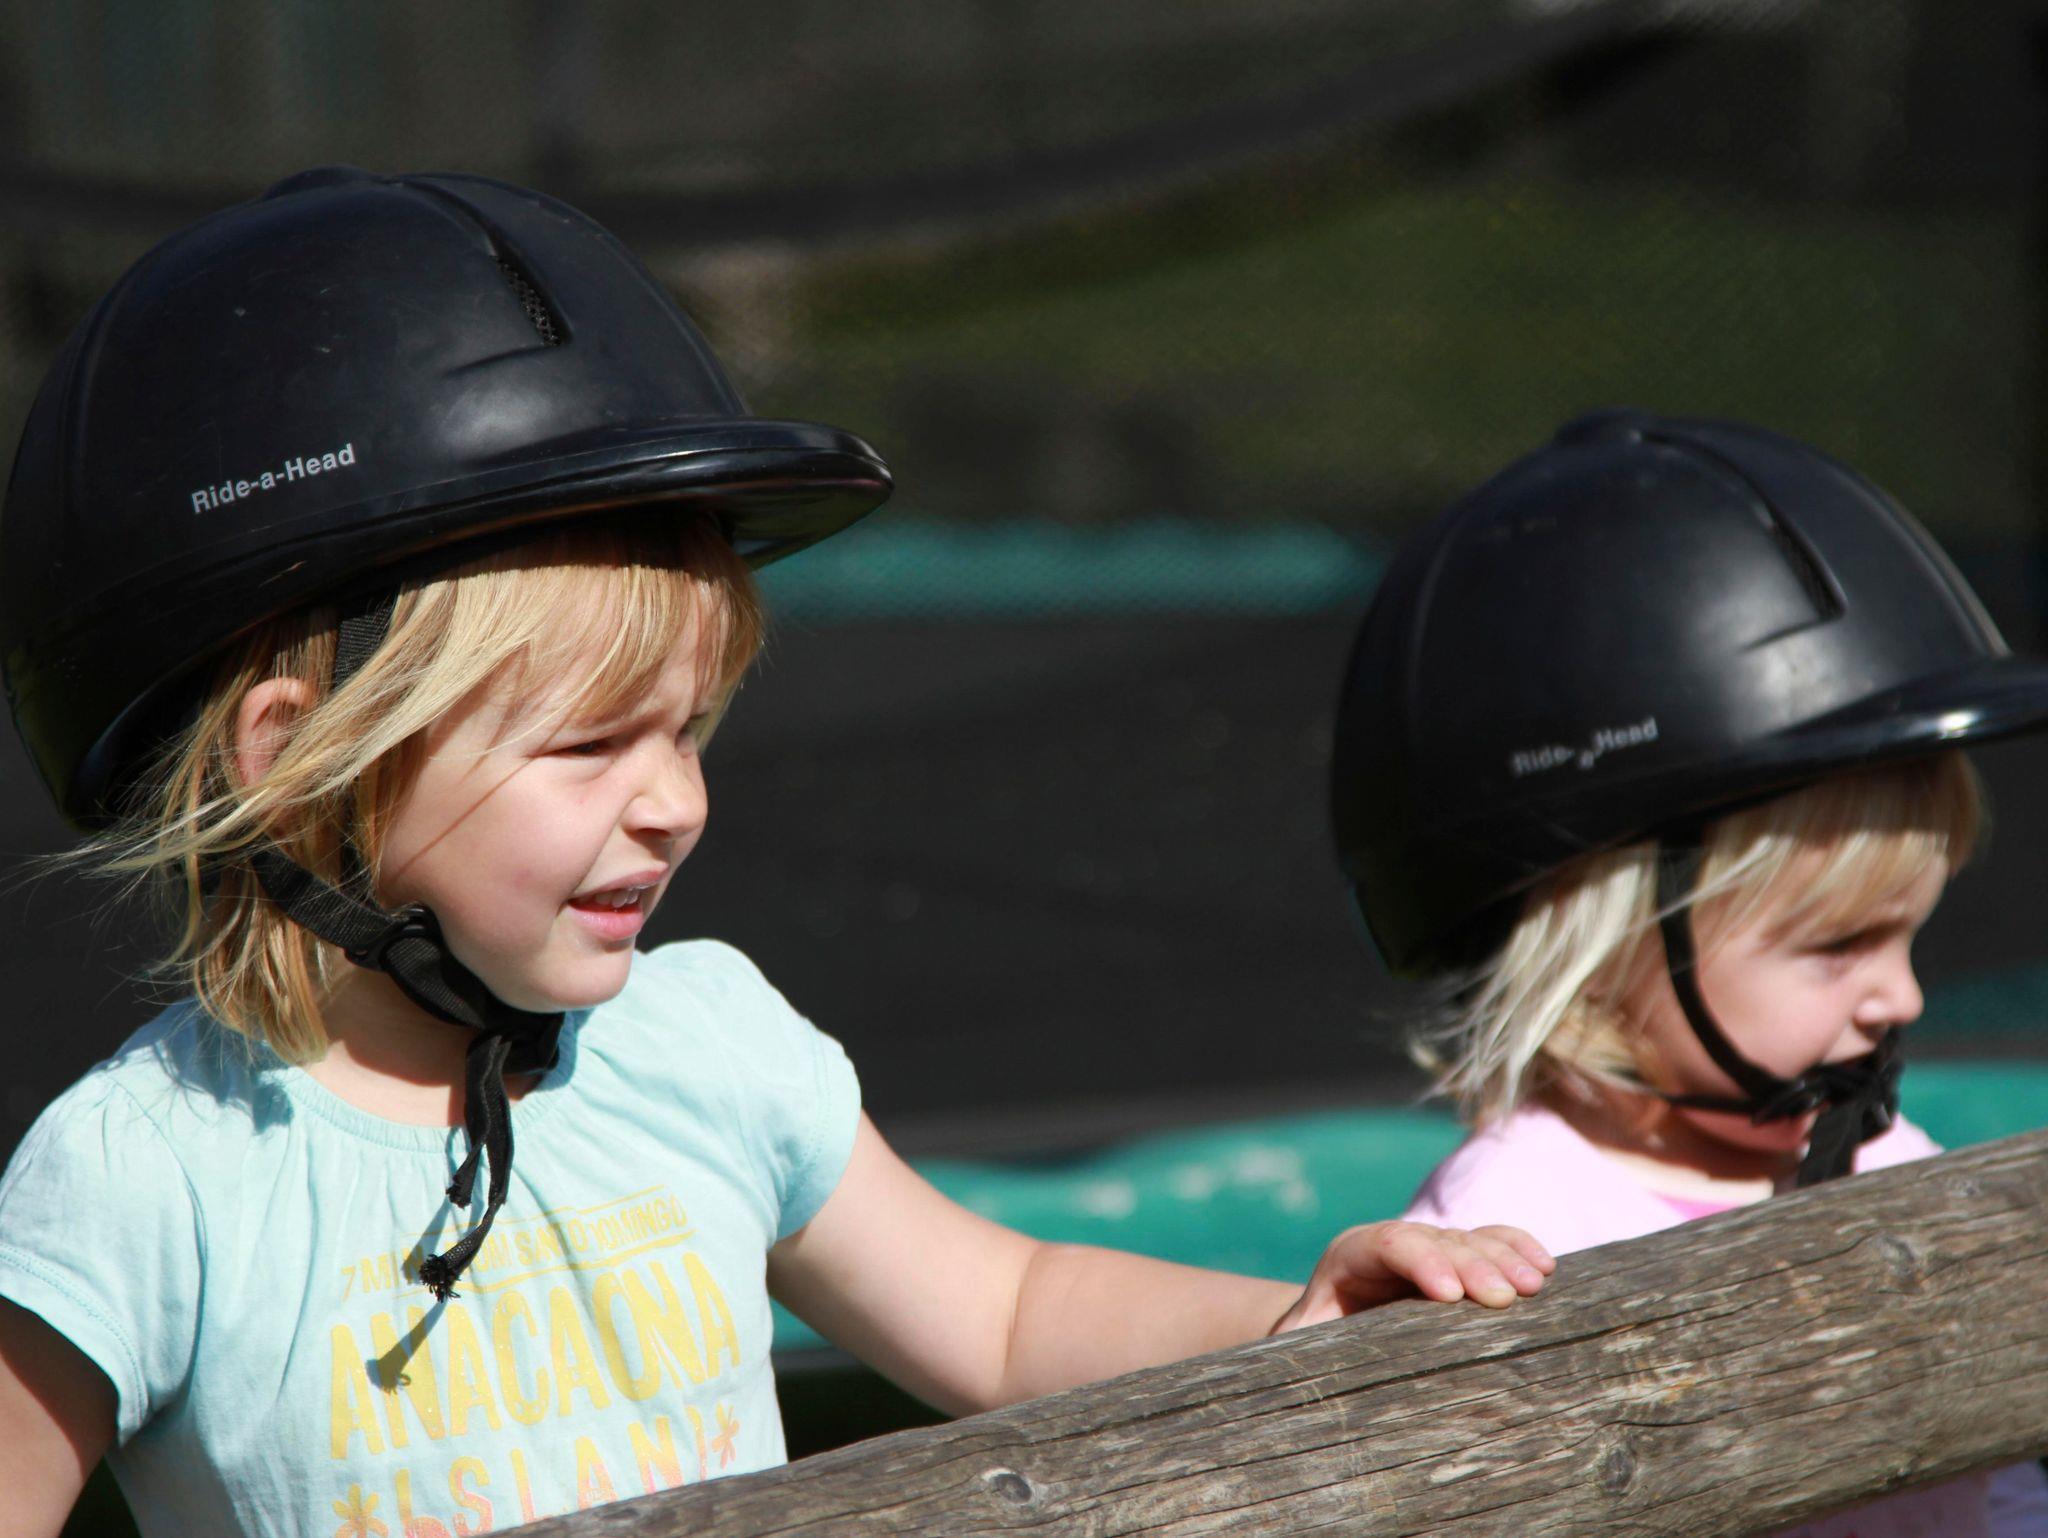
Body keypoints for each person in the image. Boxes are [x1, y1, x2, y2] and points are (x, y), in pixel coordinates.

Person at [0, 169, 1551, 1538]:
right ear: (298, 765)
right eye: (587, 745)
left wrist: (1297, 1319)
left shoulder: (708, 1048)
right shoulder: (149, 1174)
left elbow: (1011, 1311)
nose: (675, 802)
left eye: (685, 731)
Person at [1330, 409, 2048, 1536]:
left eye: (1907, 937)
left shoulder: (1879, 1151)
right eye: (1837, 945)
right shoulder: (1511, 1237)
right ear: (1598, 957)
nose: (1901, 998)